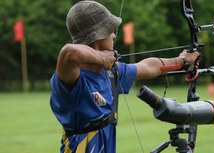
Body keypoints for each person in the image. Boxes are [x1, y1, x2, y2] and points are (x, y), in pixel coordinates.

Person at [49, 1, 200, 153]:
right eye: (109, 31)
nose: (114, 35)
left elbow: (149, 67)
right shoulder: (71, 80)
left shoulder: (111, 73)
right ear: (97, 36)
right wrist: (102, 58)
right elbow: (68, 52)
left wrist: (183, 61)